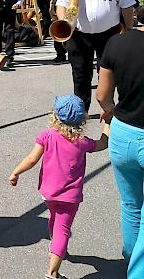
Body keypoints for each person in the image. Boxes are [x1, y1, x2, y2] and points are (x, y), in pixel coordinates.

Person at [9, 94, 109, 279]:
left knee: (54, 218)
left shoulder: (47, 136)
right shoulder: (82, 142)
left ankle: (54, 244)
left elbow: (32, 159)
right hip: (69, 198)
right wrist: (108, 124)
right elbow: (103, 144)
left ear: (55, 116)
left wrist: (16, 172)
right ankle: (52, 273)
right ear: (82, 119)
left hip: (48, 193)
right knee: (63, 230)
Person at [96, 0, 144, 278]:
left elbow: (102, 96)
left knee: (130, 204)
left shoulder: (116, 43)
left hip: (123, 133)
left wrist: (113, 112)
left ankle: (131, 258)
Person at [55, 0, 136, 111]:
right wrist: (64, 23)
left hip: (109, 35)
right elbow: (61, 5)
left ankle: (111, 109)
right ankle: (80, 112)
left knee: (108, 73)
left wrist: (128, 29)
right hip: (79, 35)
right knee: (80, 75)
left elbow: (127, 6)